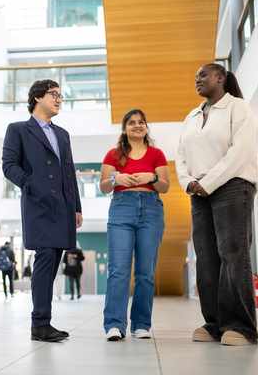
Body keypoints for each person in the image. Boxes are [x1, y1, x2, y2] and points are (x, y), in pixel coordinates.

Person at [175, 63, 258, 346]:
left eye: (203, 74)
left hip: (232, 187)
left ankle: (241, 327)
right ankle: (214, 324)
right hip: (198, 192)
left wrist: (208, 182)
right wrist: (188, 182)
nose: (197, 79)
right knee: (207, 258)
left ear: (221, 78)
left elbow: (240, 152)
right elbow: (181, 155)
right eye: (195, 75)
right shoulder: (192, 115)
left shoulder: (238, 108)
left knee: (232, 254)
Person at [2, 79, 83, 343]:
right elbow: (9, 165)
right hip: (38, 204)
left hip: (63, 206)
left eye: (61, 96)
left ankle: (43, 323)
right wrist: (30, 183)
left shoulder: (63, 134)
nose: (59, 99)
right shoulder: (18, 130)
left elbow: (69, 173)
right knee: (45, 258)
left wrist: (77, 207)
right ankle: (40, 324)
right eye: (53, 94)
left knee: (51, 263)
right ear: (37, 97)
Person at [100, 109, 170, 341]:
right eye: (132, 123)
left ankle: (141, 324)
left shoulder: (157, 154)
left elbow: (165, 186)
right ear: (125, 128)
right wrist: (115, 178)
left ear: (146, 127)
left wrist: (151, 178)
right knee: (118, 270)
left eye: (142, 122)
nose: (138, 126)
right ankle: (114, 324)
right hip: (122, 209)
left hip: (150, 210)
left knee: (145, 273)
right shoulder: (113, 154)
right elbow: (103, 186)